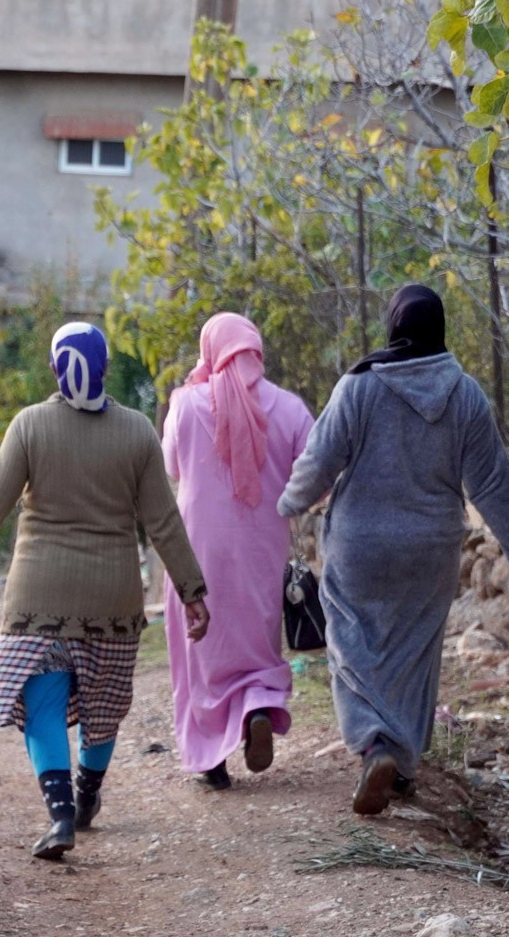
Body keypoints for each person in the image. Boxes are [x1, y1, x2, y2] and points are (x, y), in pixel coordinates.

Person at [0, 322, 209, 860]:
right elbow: (163, 522)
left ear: (53, 368)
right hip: (113, 598)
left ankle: (61, 814)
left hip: (37, 596)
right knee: (103, 705)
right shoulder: (136, 431)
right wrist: (192, 591)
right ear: (107, 368)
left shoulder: (30, 426)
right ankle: (88, 794)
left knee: (42, 699)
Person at [277, 285, 509, 815]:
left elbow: (320, 461)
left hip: (359, 545)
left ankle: (376, 745)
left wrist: (289, 503)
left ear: (393, 325)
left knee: (351, 647)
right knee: (414, 655)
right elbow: (493, 486)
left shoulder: (358, 386)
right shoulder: (467, 395)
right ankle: (402, 766)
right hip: (430, 547)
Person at [161, 312, 315, 790]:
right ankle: (254, 711)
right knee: (255, 638)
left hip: (195, 547)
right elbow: (316, 476)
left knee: (199, 647)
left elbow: (170, 467)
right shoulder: (288, 408)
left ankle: (211, 758)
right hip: (262, 548)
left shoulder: (185, 404)